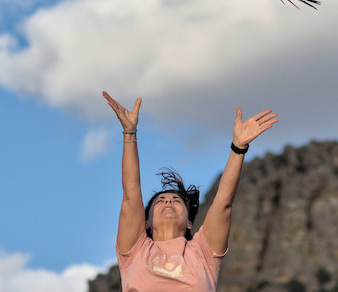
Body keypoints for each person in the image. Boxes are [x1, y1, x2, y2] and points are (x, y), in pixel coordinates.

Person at [103, 91, 279, 291]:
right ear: (147, 224)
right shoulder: (135, 250)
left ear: (189, 223)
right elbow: (130, 194)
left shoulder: (202, 252)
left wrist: (238, 147)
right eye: (160, 201)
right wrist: (129, 133)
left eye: (176, 201)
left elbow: (223, 204)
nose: (168, 201)